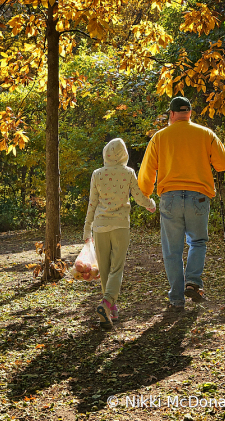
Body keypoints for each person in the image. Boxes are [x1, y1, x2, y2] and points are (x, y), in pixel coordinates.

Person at [138, 96, 225, 312]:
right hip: (198, 196)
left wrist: (145, 195)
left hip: (169, 197)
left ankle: (176, 299)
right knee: (198, 242)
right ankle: (193, 282)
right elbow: (223, 164)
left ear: (171, 114)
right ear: (190, 113)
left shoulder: (159, 137)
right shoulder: (205, 134)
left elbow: (147, 172)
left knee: (172, 250)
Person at [83, 138, 156, 329]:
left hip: (99, 226)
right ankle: (106, 303)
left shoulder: (97, 174)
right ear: (124, 154)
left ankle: (111, 309)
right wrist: (151, 205)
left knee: (105, 269)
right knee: (117, 268)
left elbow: (92, 203)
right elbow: (139, 197)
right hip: (120, 226)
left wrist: (86, 229)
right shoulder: (128, 172)